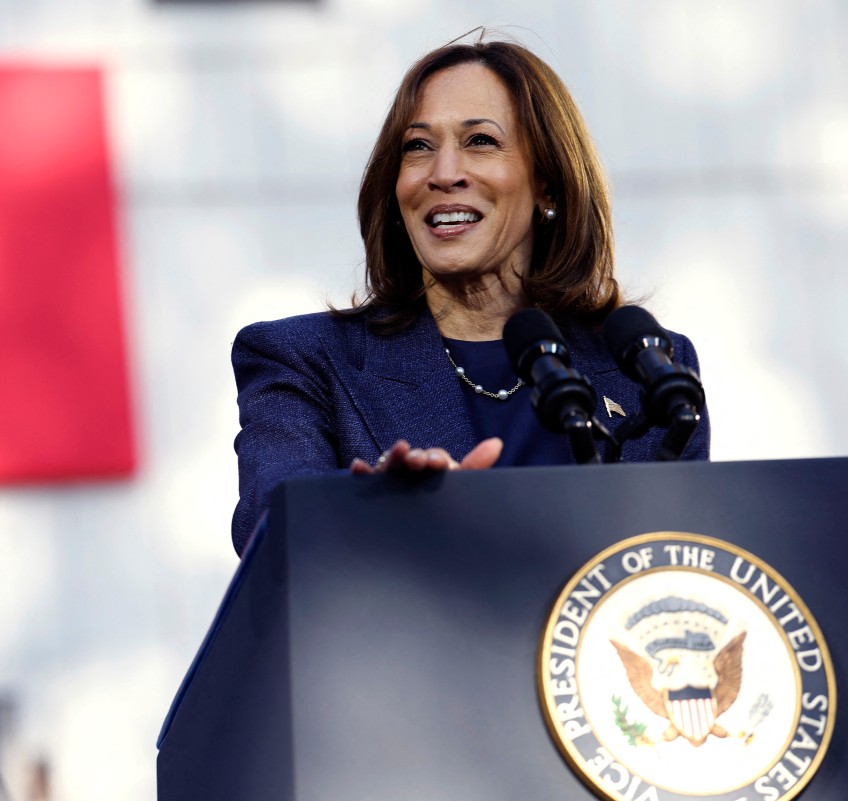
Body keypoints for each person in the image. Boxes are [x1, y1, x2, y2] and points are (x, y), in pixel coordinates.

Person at [230, 37, 709, 555]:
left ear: (547, 184)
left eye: (480, 141)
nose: (443, 174)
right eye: (418, 147)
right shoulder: (302, 359)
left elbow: (682, 570)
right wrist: (374, 508)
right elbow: (271, 523)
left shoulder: (651, 369)